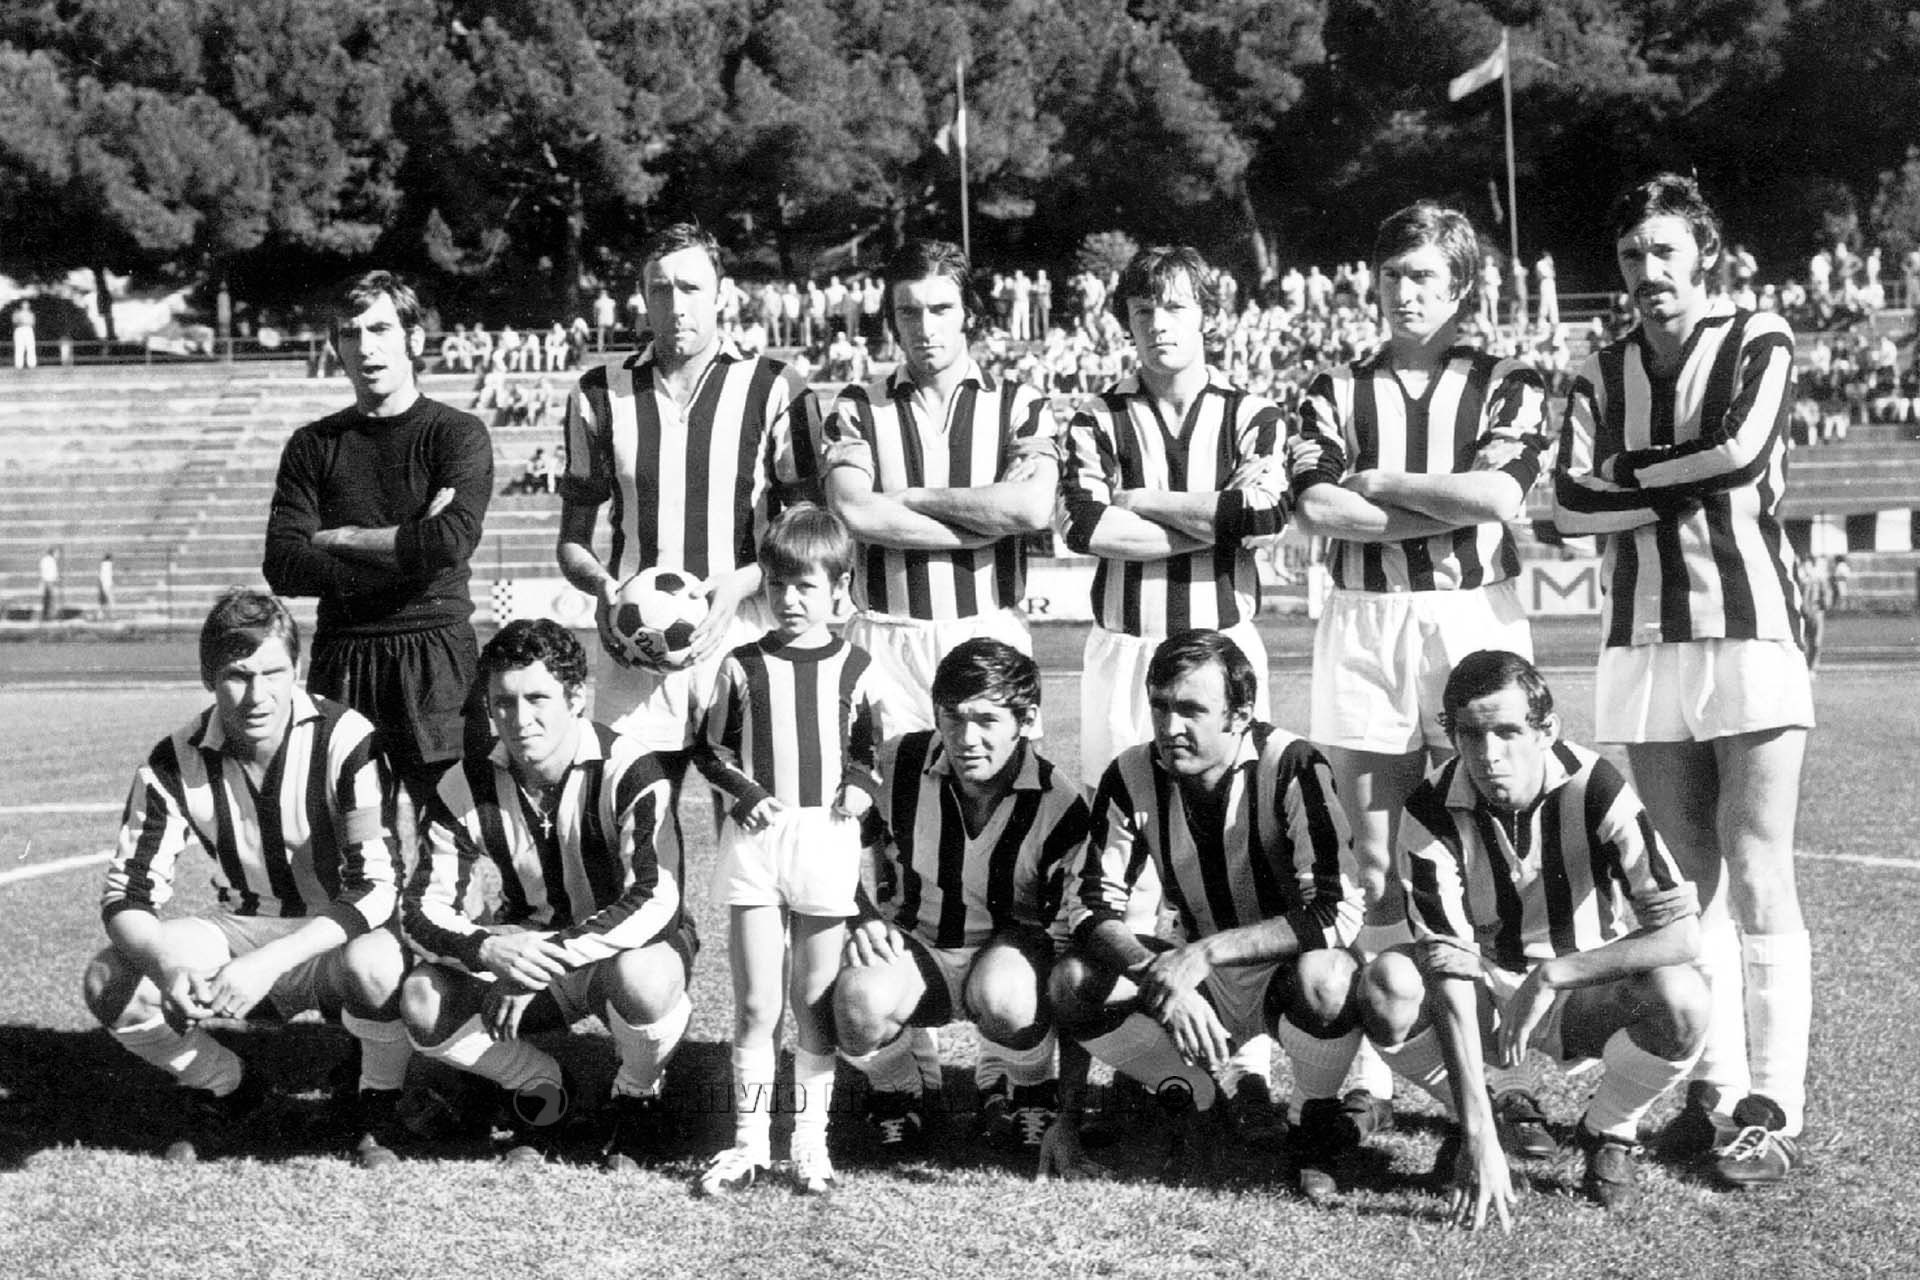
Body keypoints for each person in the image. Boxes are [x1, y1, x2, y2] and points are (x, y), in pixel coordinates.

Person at [1553, 172, 1813, 1186]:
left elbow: (1741, 453)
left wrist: (1627, 474)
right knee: (1684, 875)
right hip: (1641, 639)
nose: (1648, 270)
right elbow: (1566, 505)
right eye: (1632, 255)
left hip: (1749, 629)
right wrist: (1668, 478)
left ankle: (1773, 1107)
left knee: (1756, 863)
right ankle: (1717, 1092)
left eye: (1665, 250)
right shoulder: (1597, 369)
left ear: (1703, 252)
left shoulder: (1757, 336)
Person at [1284, 201, 1549, 1154]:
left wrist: (1381, 483)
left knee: (1479, 852)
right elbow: (1315, 508)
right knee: (1373, 858)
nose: (1405, 292)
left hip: (1470, 614)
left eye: (1425, 276)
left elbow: (1498, 495)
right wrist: (1435, 502)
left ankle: (1495, 1085)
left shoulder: (1508, 381)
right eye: (1393, 274)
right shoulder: (1331, 387)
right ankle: (1369, 1074)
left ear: (1462, 286)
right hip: (1362, 620)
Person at [1357, 650, 1708, 1226]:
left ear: (1546, 730)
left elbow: (1683, 936)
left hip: (1580, 991)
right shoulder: (1429, 808)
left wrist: (1553, 974)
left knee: (1683, 999)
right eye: (1470, 735)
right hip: (1481, 991)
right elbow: (1449, 971)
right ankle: (1479, 1122)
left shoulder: (1596, 786)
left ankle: (1610, 1131)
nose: (1488, 754)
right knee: (1387, 982)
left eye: (1507, 732)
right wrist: (1478, 1134)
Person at [81, 589, 410, 1166]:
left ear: (296, 670)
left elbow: (377, 886)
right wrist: (168, 964)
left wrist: (268, 964)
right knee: (110, 978)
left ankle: (377, 1102)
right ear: (208, 677)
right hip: (243, 924)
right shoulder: (172, 761)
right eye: (237, 676)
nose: (258, 696)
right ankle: (230, 1087)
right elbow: (126, 894)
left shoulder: (347, 738)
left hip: (335, 935)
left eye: (273, 673)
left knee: (378, 964)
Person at [1045, 631, 1364, 1193]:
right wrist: (1160, 972)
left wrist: (1203, 954)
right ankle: (1197, 1096)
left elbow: (1335, 911)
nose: (1171, 727)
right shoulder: (1131, 772)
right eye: (1160, 706)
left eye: (1192, 710)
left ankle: (1311, 1120)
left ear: (1240, 714)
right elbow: (1091, 906)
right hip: (1194, 970)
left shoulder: (1292, 763)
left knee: (1330, 979)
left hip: (1278, 967)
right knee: (1074, 980)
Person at [399, 619, 694, 1169]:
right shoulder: (463, 784)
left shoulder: (631, 769)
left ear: (576, 698)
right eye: (503, 702)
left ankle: (637, 1095)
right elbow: (417, 908)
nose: (519, 719)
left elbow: (656, 899)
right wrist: (488, 949)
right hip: (528, 944)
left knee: (646, 978)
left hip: (618, 952)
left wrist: (542, 960)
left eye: (537, 698)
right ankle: (544, 1090)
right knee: (423, 997)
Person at [556, 223, 822, 807]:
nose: (676, 305)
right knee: (631, 817)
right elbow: (572, 540)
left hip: (747, 629)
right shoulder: (598, 392)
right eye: (661, 289)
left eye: (691, 288)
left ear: (721, 293)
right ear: (642, 296)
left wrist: (745, 582)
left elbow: (811, 527)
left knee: (760, 821)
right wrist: (603, 588)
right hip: (635, 646)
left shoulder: (776, 386)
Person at [834, 638, 1102, 1163]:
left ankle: (1024, 1086)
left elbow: (1067, 935)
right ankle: (905, 1090)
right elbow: (830, 846)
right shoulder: (898, 764)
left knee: (1009, 994)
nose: (966, 739)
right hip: (915, 944)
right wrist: (860, 915)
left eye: (987, 720)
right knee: (859, 999)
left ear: (1026, 720)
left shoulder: (1061, 804)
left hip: (1007, 955)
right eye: (953, 718)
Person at [690, 505, 886, 1195]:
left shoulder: (857, 666)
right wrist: (745, 793)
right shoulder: (741, 664)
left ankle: (809, 1142)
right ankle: (747, 1144)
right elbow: (710, 750)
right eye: (777, 585)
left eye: (806, 585)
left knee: (812, 1002)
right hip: (756, 842)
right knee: (755, 1005)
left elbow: (870, 752)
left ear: (839, 587)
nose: (790, 599)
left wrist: (860, 787)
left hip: (825, 839)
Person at [1057, 245, 1289, 789]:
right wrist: (1221, 522)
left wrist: (1142, 501)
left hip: (1224, 646)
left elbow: (1266, 517)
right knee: (1117, 811)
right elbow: (1084, 527)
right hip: (1125, 651)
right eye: (1143, 311)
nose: (1158, 324)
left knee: (1235, 812)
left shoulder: (1251, 414)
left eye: (1176, 308)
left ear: (1207, 315)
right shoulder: (1097, 417)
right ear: (1127, 323)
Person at [262, 270, 494, 809]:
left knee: (453, 832)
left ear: (414, 338)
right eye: (350, 333)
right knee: (351, 837)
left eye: (380, 329)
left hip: (436, 654)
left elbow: (449, 541)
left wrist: (338, 538)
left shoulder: (456, 434)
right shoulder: (313, 445)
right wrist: (411, 549)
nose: (365, 347)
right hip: (344, 656)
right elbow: (284, 564)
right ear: (336, 347)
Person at [823, 238, 1060, 735]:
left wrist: (914, 497)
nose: (925, 327)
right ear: (892, 319)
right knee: (883, 783)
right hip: (886, 641)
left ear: (968, 312)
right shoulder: (857, 406)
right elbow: (854, 512)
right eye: (908, 312)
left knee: (999, 782)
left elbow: (1031, 509)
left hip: (990, 631)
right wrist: (982, 526)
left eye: (941, 309)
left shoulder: (1020, 403)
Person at [1796, 556, 1831, 672]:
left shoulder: (1819, 580)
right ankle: (1805, 665)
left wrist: (1822, 605)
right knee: (1804, 641)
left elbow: (1827, 595)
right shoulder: (1801, 582)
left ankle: (1813, 665)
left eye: (1808, 565)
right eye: (1804, 566)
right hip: (1803, 614)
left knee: (1816, 641)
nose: (1806, 568)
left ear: (1812, 566)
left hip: (1816, 613)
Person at [12, 298, 36, 370]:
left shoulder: (31, 313)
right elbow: (15, 321)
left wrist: (26, 322)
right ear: (21, 305)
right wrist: (22, 321)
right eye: (24, 304)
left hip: (28, 329)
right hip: (20, 329)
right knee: (19, 347)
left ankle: (31, 364)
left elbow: (32, 322)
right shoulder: (17, 313)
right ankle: (19, 365)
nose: (25, 305)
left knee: (30, 347)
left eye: (27, 304)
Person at [38, 545, 58, 622]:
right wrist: (55, 579)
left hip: (45, 580)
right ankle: (51, 615)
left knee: (46, 599)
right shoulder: (52, 560)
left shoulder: (44, 559)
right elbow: (54, 572)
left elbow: (41, 570)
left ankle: (45, 615)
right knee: (52, 599)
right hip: (50, 581)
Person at [96, 552, 114, 620]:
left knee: (103, 601)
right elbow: (106, 577)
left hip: (104, 585)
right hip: (106, 586)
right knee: (109, 600)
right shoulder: (107, 565)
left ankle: (101, 614)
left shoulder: (104, 565)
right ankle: (110, 615)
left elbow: (102, 577)